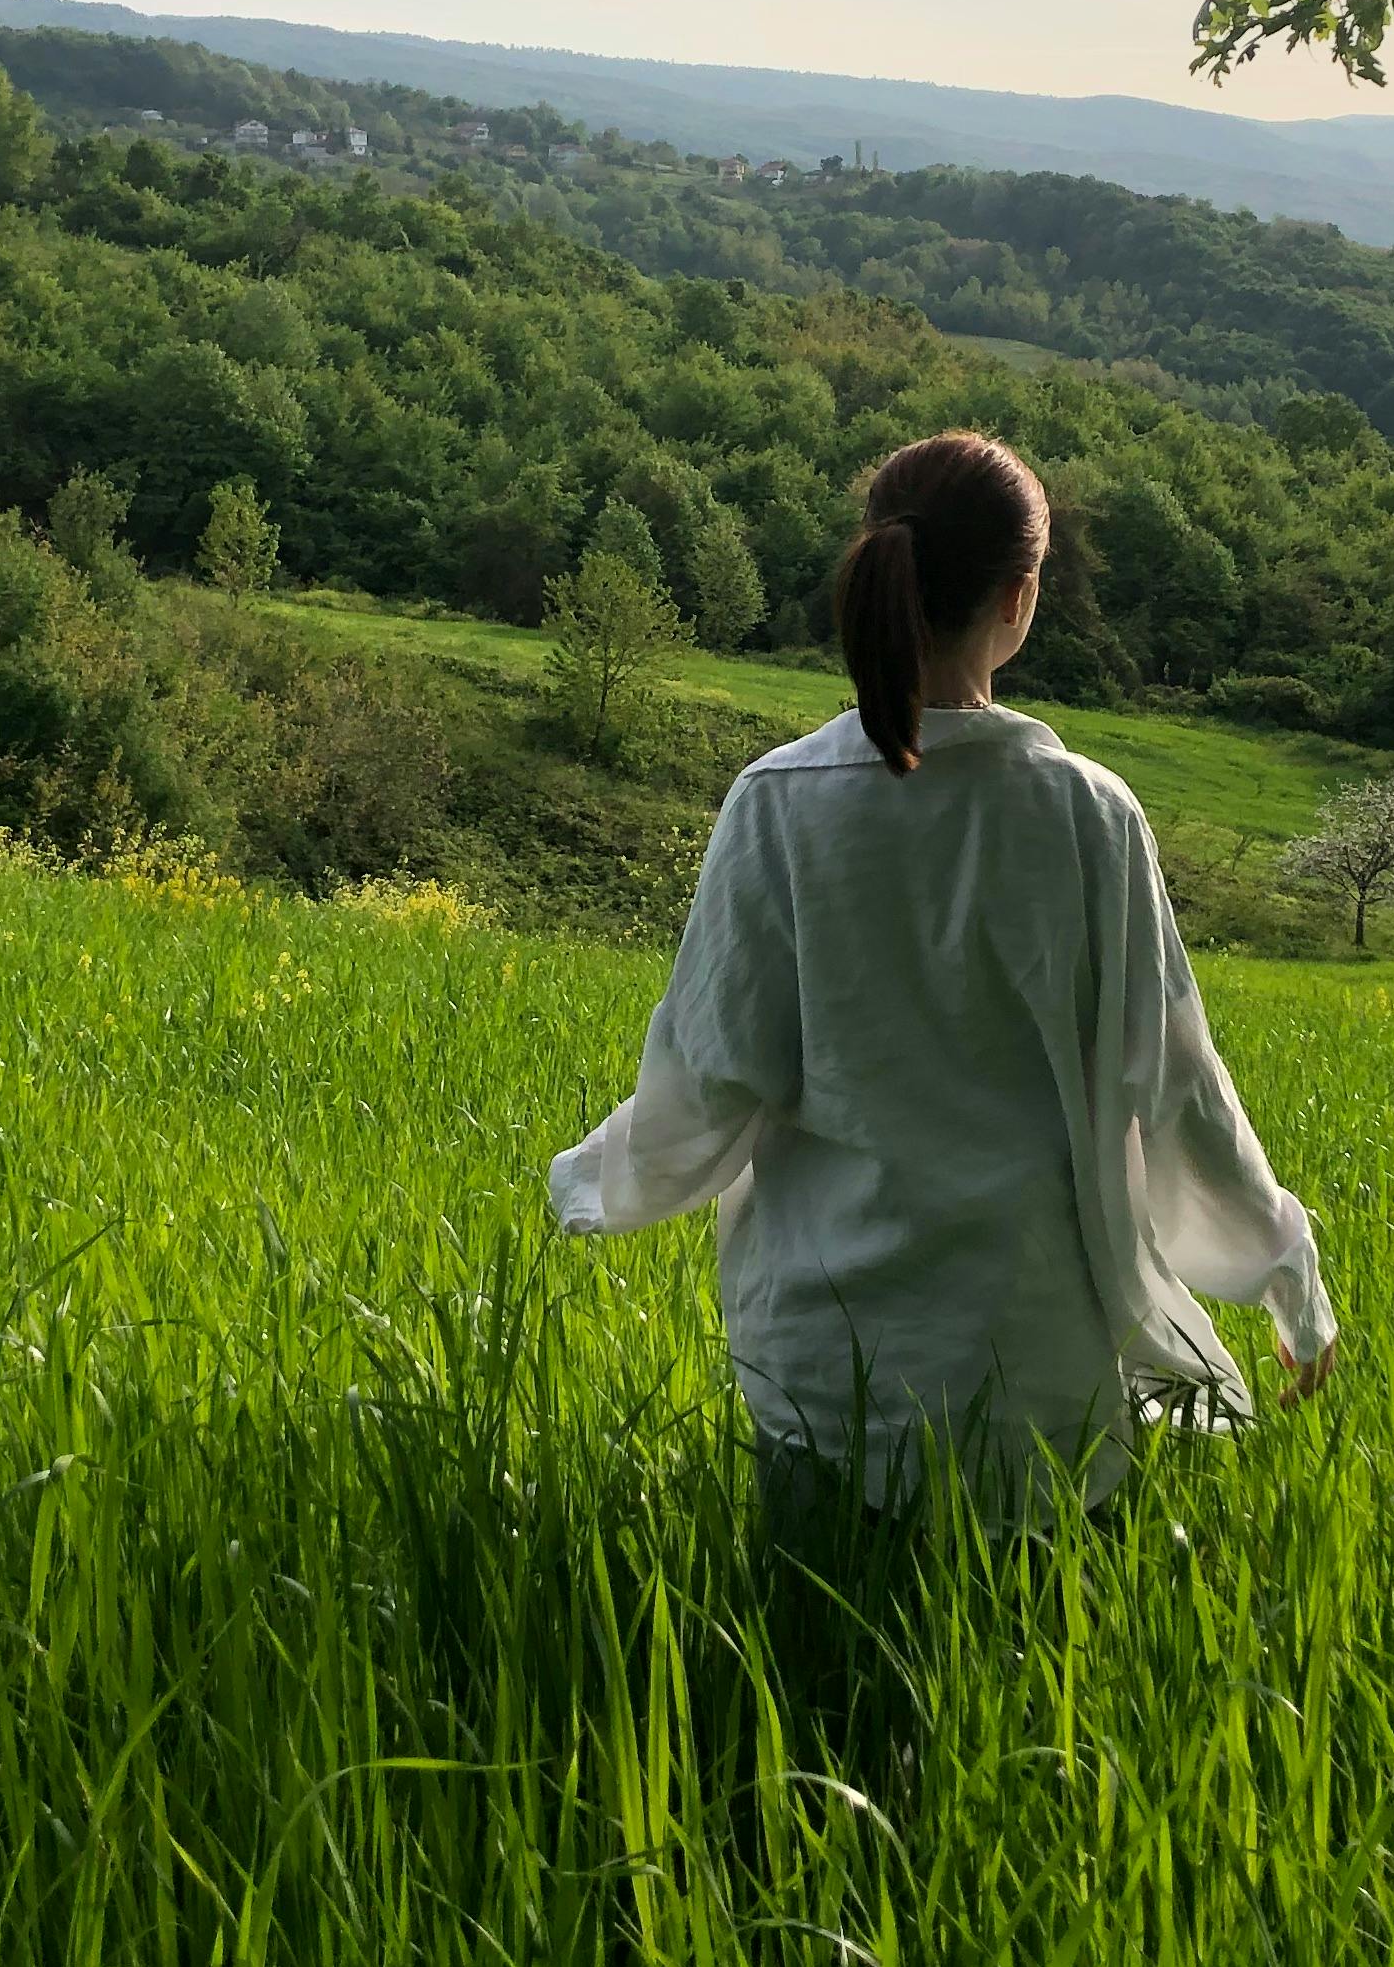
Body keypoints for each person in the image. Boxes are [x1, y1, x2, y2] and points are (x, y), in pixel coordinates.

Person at [546, 429, 1341, 1519]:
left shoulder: (778, 804)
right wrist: (1287, 1273)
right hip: (1044, 1373)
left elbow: (711, 1075)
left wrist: (591, 1187)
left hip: (828, 1368)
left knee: (807, 1667)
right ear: (1018, 598)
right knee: (1031, 1668)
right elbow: (1179, 1092)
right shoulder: (1089, 816)